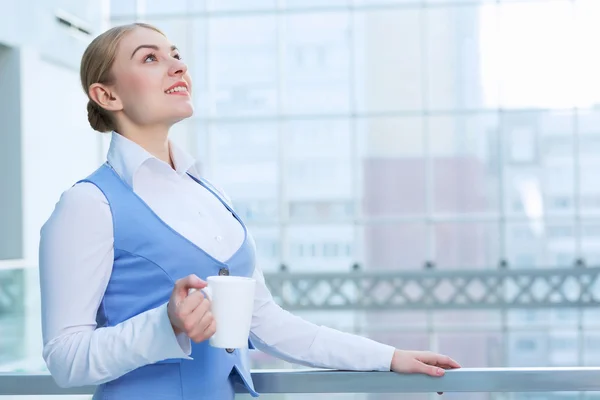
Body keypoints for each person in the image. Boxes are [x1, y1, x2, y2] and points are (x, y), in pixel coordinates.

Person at [38, 22, 460, 400]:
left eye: (177, 55)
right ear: (107, 94)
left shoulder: (210, 193)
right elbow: (65, 359)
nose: (177, 66)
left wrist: (388, 357)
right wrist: (164, 325)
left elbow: (267, 322)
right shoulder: (88, 205)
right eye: (150, 57)